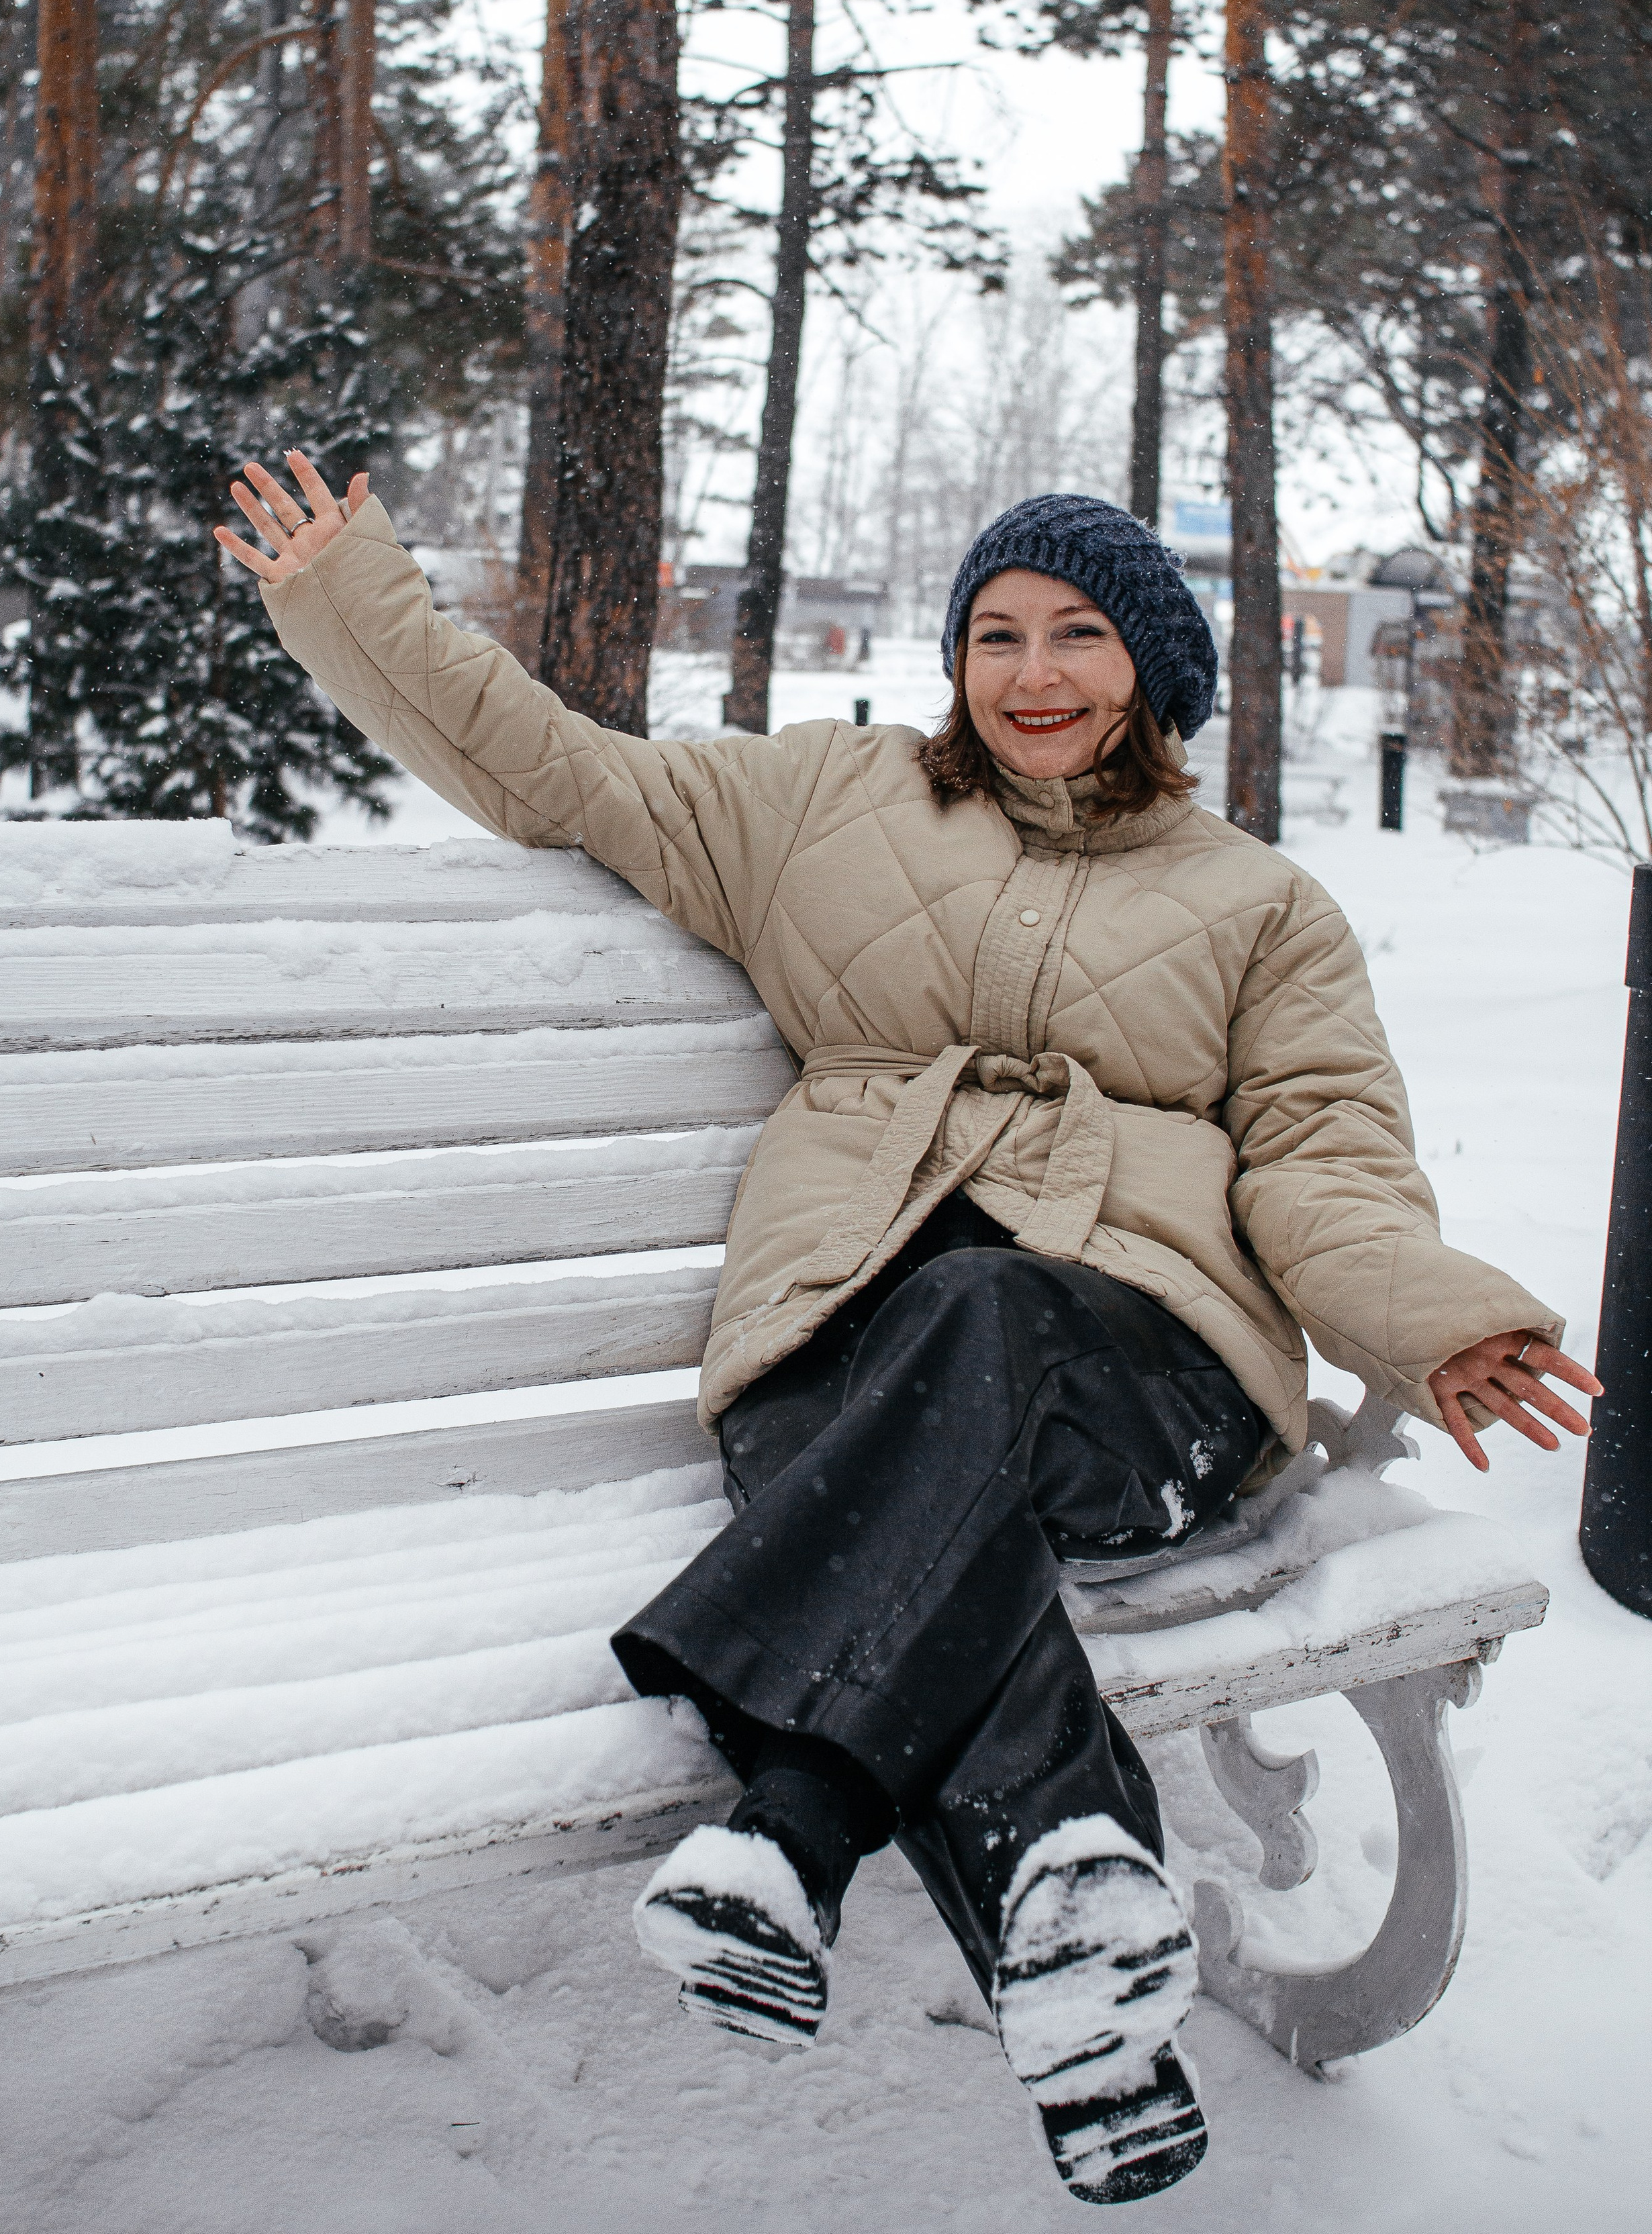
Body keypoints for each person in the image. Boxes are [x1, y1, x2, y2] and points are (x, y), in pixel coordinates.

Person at [220, 456, 1600, 2209]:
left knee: (975, 1314)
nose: (1033, 671)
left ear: (1155, 671)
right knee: (900, 1423)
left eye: (1081, 635)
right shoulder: (819, 804)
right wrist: (357, 597)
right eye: (998, 633)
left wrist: (1431, 1318)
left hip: (1141, 1385)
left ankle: (794, 1820)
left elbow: (1330, 1172)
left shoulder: (1264, 909)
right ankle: (1097, 2028)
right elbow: (551, 771)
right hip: (838, 1363)